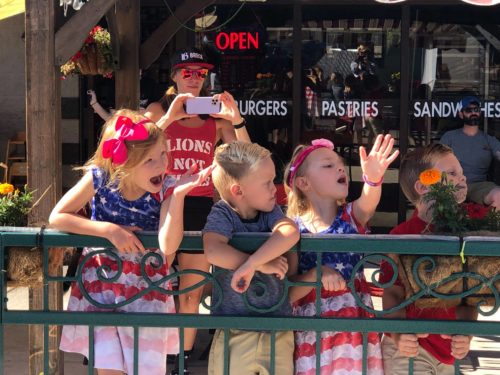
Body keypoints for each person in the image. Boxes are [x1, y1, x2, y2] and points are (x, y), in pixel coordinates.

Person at [49, 109, 213, 375]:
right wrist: (109, 231)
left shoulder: (169, 186)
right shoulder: (100, 177)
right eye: (150, 160)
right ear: (124, 163)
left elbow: (168, 245)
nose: (161, 164)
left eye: (163, 154)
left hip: (147, 292)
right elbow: (57, 216)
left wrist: (179, 196)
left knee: (146, 369)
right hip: (102, 290)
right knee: (108, 370)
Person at [144, 48, 251, 373]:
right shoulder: (156, 110)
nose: (194, 78)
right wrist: (169, 118)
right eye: (187, 72)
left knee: (190, 291)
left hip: (200, 205)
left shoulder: (214, 120)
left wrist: (236, 118)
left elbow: (246, 156)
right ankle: (153, 353)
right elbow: (134, 148)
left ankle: (180, 361)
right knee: (155, 285)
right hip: (158, 203)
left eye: (201, 73)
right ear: (174, 76)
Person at [284, 134, 399, 375]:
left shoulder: (351, 216)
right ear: (304, 183)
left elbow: (368, 201)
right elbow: (290, 292)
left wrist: (374, 179)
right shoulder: (292, 229)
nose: (339, 167)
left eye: (339, 164)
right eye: (328, 165)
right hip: (313, 334)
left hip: (354, 331)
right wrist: (316, 275)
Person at [379, 144, 478, 375]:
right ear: (423, 186)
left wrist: (466, 334)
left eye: (462, 174)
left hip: (448, 352)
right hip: (410, 348)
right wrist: (398, 334)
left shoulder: (466, 234)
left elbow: (470, 296)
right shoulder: (402, 236)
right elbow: (392, 291)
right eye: (452, 174)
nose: (461, 179)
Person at [203, 141, 300, 375]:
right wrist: (264, 264)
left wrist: (252, 264)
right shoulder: (223, 213)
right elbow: (213, 250)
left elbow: (290, 232)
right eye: (267, 183)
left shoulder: (270, 212)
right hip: (233, 328)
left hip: (277, 326)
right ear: (238, 191)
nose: (274, 189)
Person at [440, 96, 500, 210]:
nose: (473, 113)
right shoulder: (450, 137)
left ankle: (486, 226)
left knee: (499, 196)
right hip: (453, 184)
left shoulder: (488, 139)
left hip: (479, 185)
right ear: (461, 114)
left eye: (476, 110)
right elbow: (436, 160)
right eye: (468, 110)